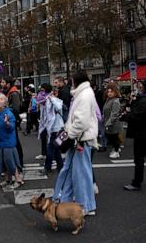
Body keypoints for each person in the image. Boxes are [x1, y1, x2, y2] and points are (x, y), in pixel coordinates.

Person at [52, 70, 98, 216]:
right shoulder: (85, 93)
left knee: (79, 174)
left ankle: (83, 205)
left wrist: (68, 136)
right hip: (80, 139)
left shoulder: (83, 95)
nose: (70, 83)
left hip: (80, 140)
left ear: (76, 81)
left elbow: (80, 121)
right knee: (76, 172)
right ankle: (75, 202)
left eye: (71, 80)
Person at [121, 81, 146, 191]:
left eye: (141, 86)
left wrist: (125, 116)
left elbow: (136, 116)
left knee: (141, 158)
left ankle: (137, 183)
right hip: (144, 133)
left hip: (143, 133)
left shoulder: (145, 101)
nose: (139, 87)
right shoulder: (144, 99)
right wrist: (131, 101)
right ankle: (136, 182)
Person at [0, 92, 24, 190]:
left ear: (5, 103)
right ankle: (7, 180)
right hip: (0, 142)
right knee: (3, 162)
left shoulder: (8, 113)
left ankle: (18, 179)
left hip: (9, 143)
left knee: (10, 162)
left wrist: (7, 123)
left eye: (1, 99)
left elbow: (11, 127)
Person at [39, 87, 64, 175]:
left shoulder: (58, 101)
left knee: (50, 148)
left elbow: (58, 107)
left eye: (54, 93)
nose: (52, 95)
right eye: (52, 93)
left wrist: (52, 98)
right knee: (56, 149)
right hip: (52, 129)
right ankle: (61, 166)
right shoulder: (48, 103)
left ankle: (47, 167)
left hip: (59, 129)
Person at [1, 76, 24, 168]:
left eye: (3, 82)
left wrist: (5, 108)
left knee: (15, 142)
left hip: (12, 120)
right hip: (9, 120)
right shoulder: (8, 93)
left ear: (8, 84)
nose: (1, 84)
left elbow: (15, 109)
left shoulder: (13, 94)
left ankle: (20, 162)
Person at [103, 83, 123, 159]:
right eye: (108, 92)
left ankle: (116, 151)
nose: (109, 93)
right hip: (109, 122)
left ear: (115, 92)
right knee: (112, 137)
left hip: (113, 123)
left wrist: (108, 123)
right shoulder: (108, 100)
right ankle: (115, 149)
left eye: (111, 92)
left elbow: (114, 114)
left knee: (114, 137)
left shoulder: (115, 101)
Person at [36, 83, 52, 160]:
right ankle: (43, 153)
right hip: (43, 120)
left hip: (50, 119)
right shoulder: (41, 95)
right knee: (43, 136)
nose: (41, 90)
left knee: (51, 137)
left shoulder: (51, 96)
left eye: (42, 88)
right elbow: (38, 101)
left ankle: (52, 154)